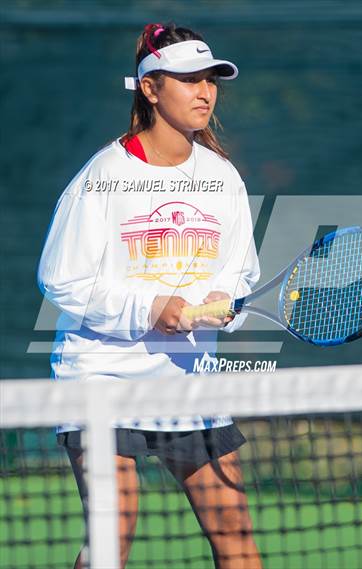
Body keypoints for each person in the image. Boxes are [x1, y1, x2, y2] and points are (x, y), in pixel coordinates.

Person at [37, 22, 261, 569]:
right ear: (150, 88)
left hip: (188, 383)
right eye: (188, 79)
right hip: (100, 377)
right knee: (114, 530)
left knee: (234, 529)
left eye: (210, 80)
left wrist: (220, 296)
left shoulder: (222, 178)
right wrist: (150, 307)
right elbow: (59, 276)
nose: (204, 91)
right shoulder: (105, 175)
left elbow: (239, 269)